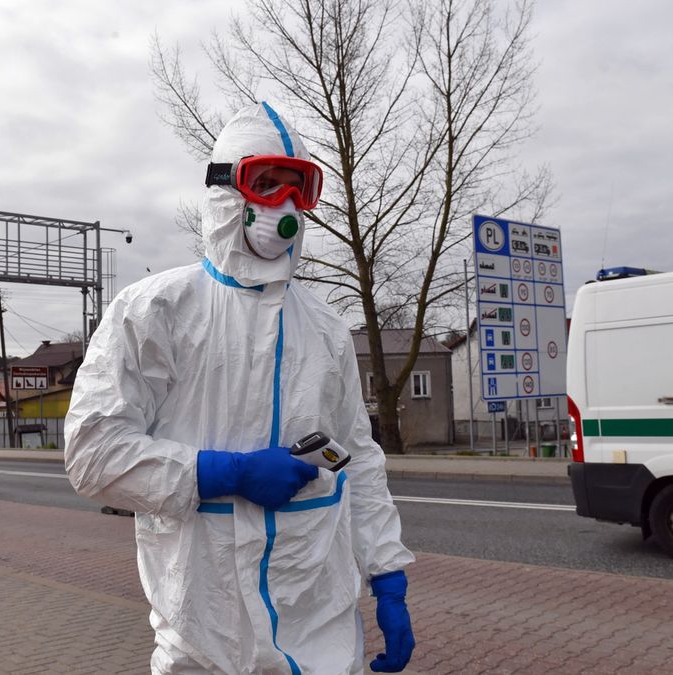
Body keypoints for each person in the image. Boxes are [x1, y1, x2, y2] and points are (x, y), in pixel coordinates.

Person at [65, 102, 416, 674]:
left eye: (297, 190)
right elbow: (92, 455)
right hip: (204, 631)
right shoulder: (154, 312)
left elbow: (358, 457)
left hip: (320, 623)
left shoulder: (325, 329)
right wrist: (225, 472)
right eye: (266, 184)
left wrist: (387, 574)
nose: (283, 207)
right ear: (227, 191)